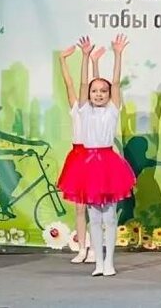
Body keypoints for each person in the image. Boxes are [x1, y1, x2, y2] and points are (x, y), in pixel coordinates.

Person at [56, 34, 136, 277]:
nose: (99, 94)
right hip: (88, 166)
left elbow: (116, 82)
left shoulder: (112, 110)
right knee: (94, 216)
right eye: (94, 91)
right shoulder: (84, 110)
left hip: (108, 165)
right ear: (89, 94)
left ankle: (109, 261)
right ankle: (98, 262)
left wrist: (118, 54)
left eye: (103, 91)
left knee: (109, 217)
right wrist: (85, 57)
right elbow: (81, 85)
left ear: (109, 95)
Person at [56, 42, 93, 263]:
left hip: (95, 158)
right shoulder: (76, 109)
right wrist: (62, 60)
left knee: (96, 208)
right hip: (79, 159)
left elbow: (90, 83)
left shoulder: (98, 111)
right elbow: (70, 83)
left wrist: (91, 60)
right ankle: (82, 248)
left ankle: (95, 248)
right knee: (80, 209)